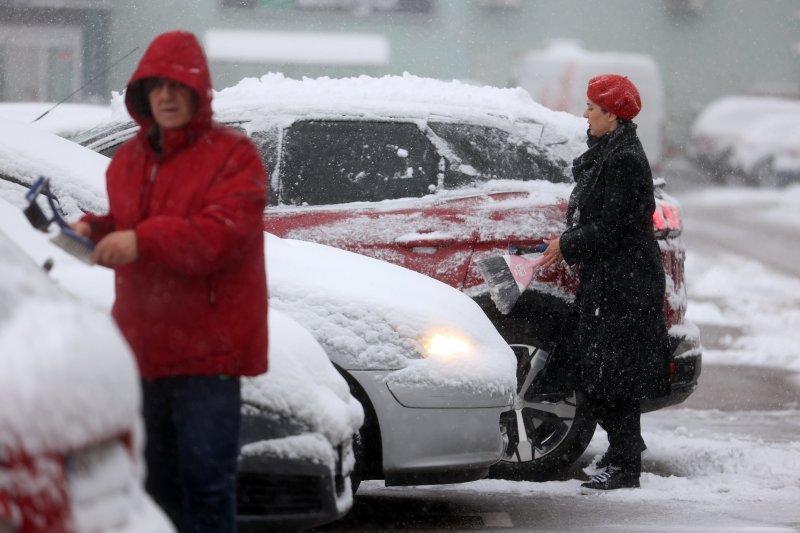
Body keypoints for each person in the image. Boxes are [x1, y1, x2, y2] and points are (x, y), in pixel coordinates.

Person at [71, 30, 268, 531]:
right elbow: (130, 223)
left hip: (208, 356)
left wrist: (142, 241)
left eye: (178, 87)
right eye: (156, 87)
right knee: (154, 490)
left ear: (199, 93)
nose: (166, 96)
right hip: (142, 351)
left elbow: (220, 235)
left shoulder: (233, 155)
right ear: (142, 94)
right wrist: (95, 231)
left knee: (206, 485)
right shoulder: (128, 161)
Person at [540, 74, 670, 491]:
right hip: (614, 277)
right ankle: (623, 452)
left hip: (624, 283)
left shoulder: (624, 159)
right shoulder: (612, 150)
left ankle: (625, 465)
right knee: (602, 372)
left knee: (613, 375)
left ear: (612, 115)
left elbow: (615, 225)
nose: (585, 114)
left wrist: (567, 244)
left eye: (592, 108)